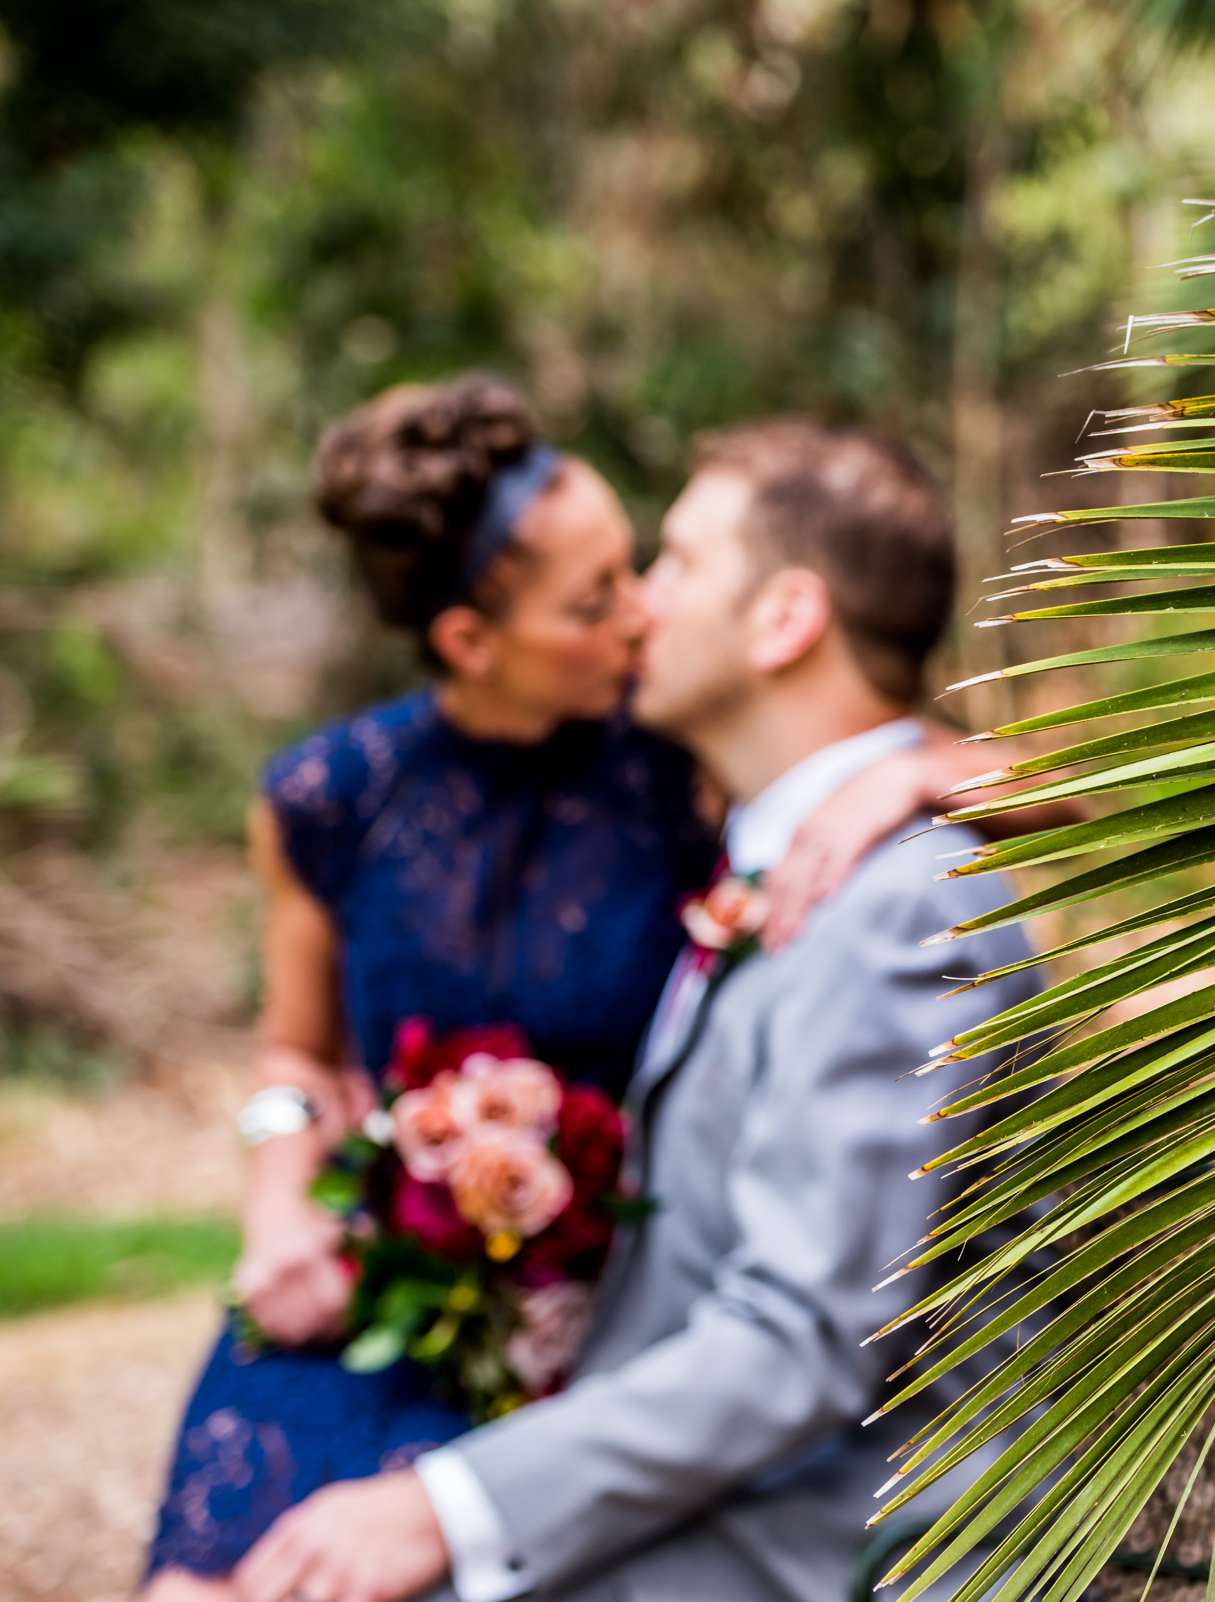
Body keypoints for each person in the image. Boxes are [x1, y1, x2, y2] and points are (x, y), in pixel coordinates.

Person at [142, 382, 1053, 1597]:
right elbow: (295, 1054)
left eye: (662, 562)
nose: (639, 613)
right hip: (440, 1318)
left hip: (688, 1444)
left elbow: (800, 1338)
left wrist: (935, 764)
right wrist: (276, 1203)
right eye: (601, 593)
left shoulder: (813, 842)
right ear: (472, 639)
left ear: (780, 618)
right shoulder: (341, 790)